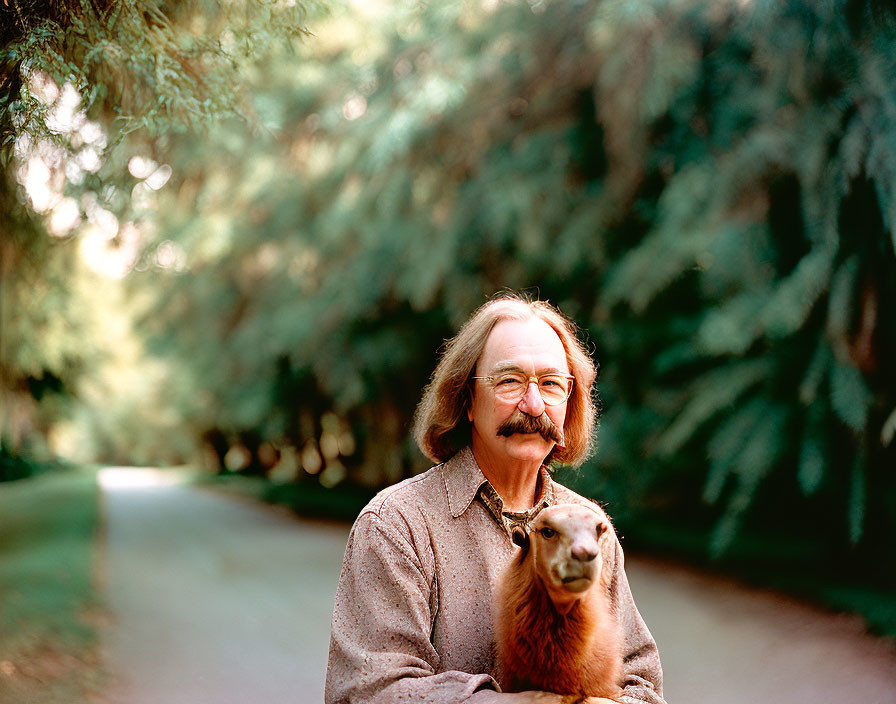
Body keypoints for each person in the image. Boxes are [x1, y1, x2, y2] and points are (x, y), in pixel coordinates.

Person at [325, 293, 665, 704]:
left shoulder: (590, 528)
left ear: (569, 403)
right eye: (509, 381)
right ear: (467, 400)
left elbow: (642, 685)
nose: (534, 404)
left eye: (552, 385)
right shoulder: (397, 525)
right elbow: (369, 692)